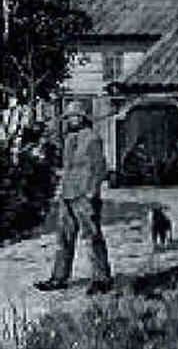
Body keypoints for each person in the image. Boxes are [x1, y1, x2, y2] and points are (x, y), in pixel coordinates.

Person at [34, 101, 112, 295]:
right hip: (67, 194)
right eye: (68, 117)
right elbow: (68, 168)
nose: (70, 120)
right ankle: (59, 278)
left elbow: (100, 168)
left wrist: (92, 192)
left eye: (74, 116)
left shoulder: (93, 138)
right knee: (64, 238)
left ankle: (102, 279)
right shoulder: (69, 139)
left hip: (85, 195)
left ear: (83, 118)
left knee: (92, 237)